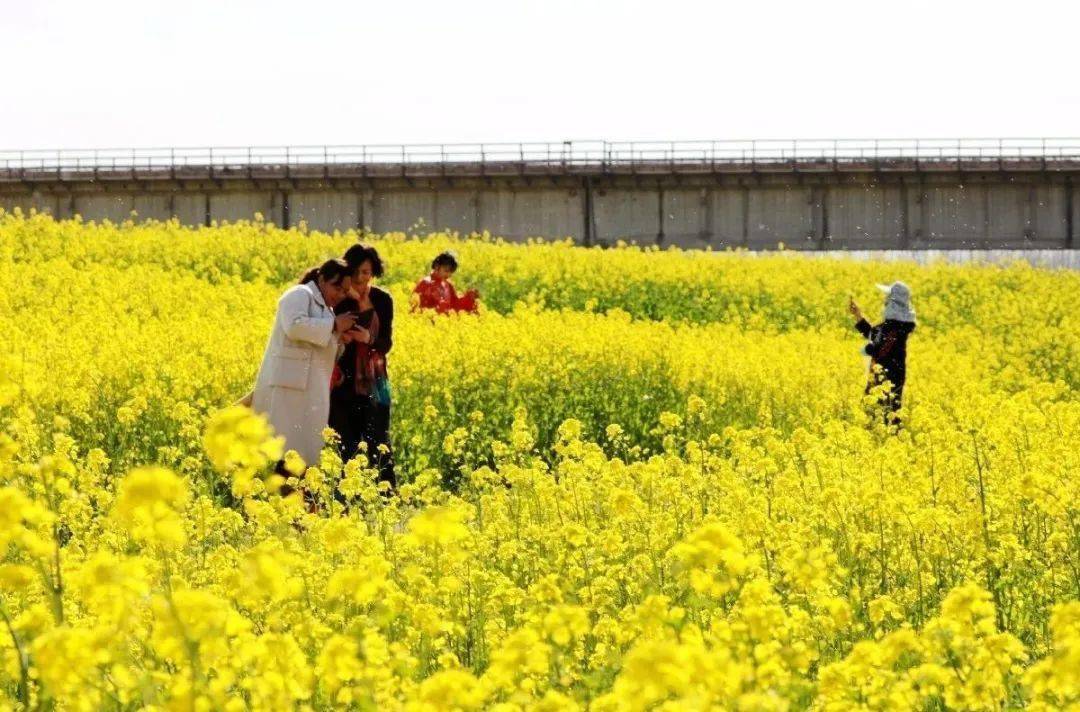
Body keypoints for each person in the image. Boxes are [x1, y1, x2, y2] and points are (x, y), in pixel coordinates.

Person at [250, 259, 357, 467]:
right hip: (288, 390)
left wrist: (340, 339)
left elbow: (317, 347)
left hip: (308, 390)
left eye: (345, 291)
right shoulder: (299, 294)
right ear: (322, 279)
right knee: (285, 452)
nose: (340, 295)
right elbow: (294, 326)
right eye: (337, 287)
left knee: (301, 454)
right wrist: (334, 325)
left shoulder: (327, 310)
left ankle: (296, 497)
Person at [329, 243, 397, 490]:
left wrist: (366, 339)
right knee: (344, 440)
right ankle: (346, 495)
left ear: (374, 272)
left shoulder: (383, 300)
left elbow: (385, 342)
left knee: (379, 438)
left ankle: (386, 495)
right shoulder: (338, 300)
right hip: (343, 381)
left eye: (366, 272)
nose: (360, 278)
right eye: (356, 272)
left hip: (375, 380)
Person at [849, 281, 916, 426]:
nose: (884, 301)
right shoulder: (891, 325)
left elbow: (884, 349)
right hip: (882, 376)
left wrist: (869, 350)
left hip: (887, 378)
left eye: (887, 298)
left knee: (886, 415)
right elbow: (874, 335)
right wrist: (858, 315)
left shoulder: (897, 328)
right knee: (880, 414)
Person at [412, 251, 479, 314]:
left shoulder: (448, 285)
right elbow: (414, 308)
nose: (448, 275)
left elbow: (455, 305)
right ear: (436, 267)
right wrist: (436, 310)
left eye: (451, 272)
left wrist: (468, 298)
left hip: (445, 324)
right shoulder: (425, 283)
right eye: (446, 271)